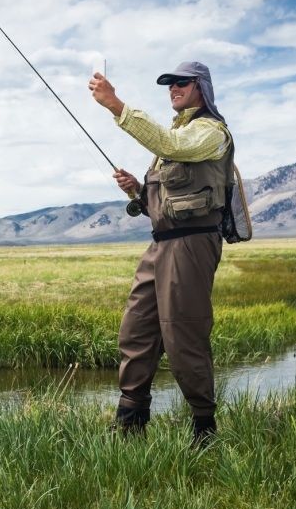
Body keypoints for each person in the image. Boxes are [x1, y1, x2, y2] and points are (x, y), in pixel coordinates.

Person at [88, 61, 234, 444]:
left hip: (192, 244)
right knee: (136, 328)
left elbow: (173, 147)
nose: (173, 88)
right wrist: (138, 190)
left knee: (184, 333)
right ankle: (131, 420)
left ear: (201, 86)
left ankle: (204, 429)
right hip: (162, 243)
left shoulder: (211, 132)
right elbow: (166, 202)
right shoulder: (176, 134)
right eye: (169, 84)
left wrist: (116, 106)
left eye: (181, 83)